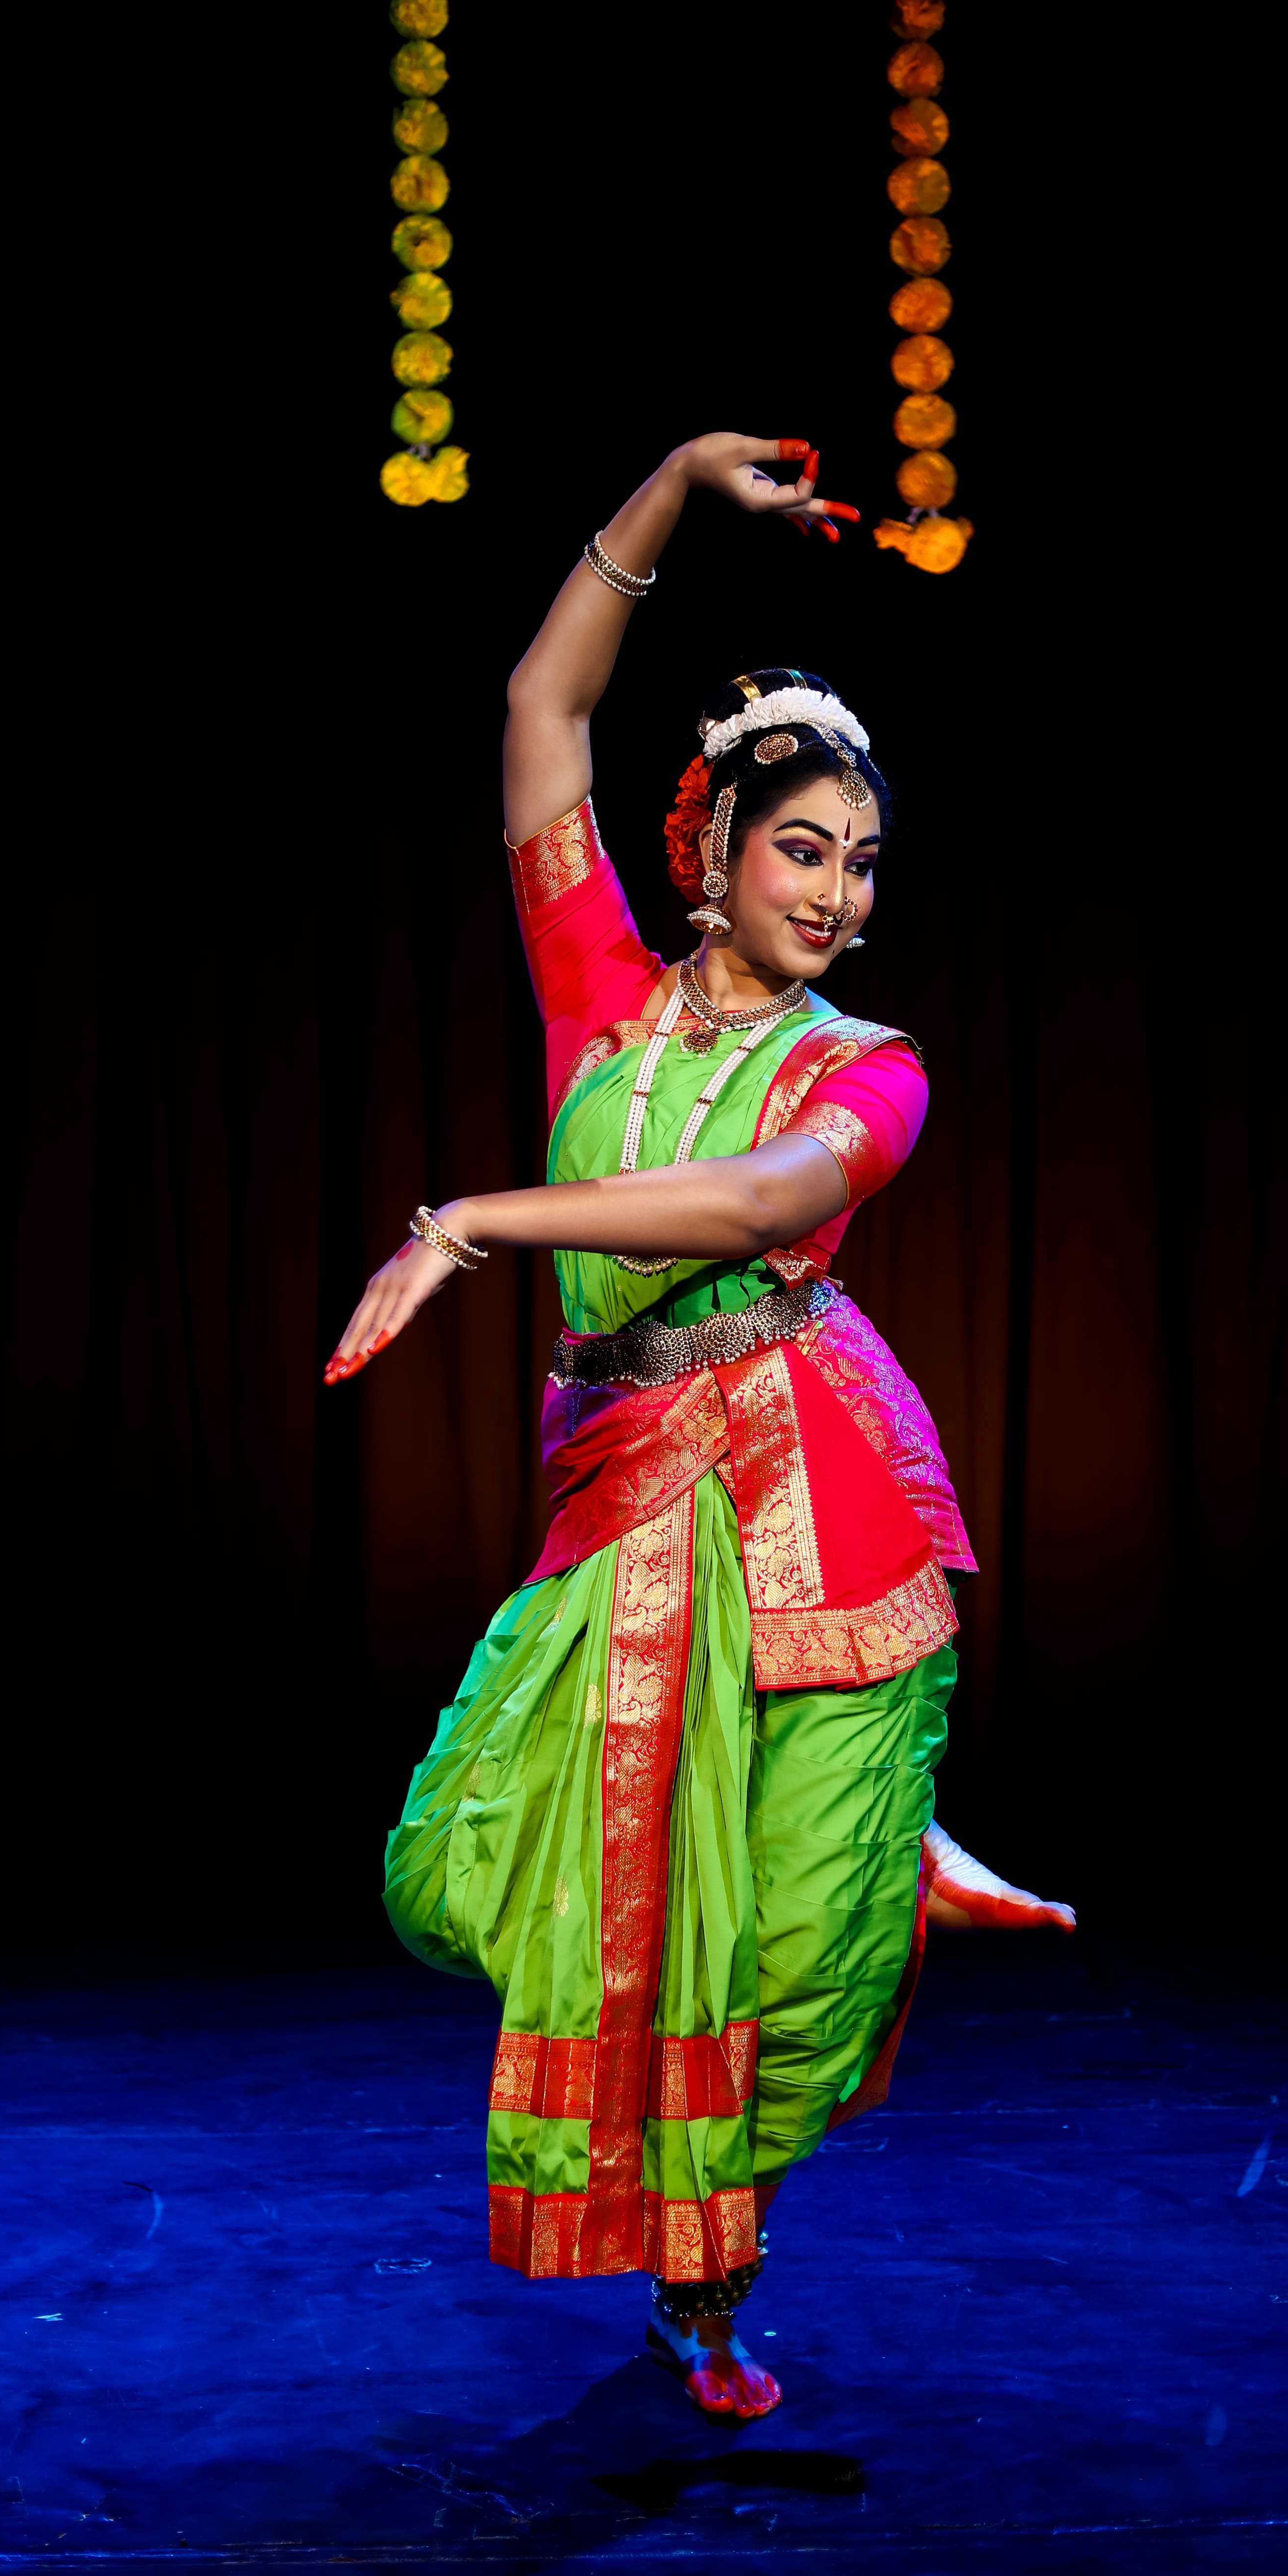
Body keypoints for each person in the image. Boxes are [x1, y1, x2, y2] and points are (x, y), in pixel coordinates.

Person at [326, 432, 1074, 2422]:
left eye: (861, 861)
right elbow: (542, 703)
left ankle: (705, 2295)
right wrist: (664, 487)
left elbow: (753, 1212)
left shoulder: (871, 1072)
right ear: (715, 852)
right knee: (462, 1875)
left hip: (817, 1500)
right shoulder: (595, 994)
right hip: (620, 1500)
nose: (836, 892)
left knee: (773, 1953)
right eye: (802, 848)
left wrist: (479, 1216)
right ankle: (892, 1856)